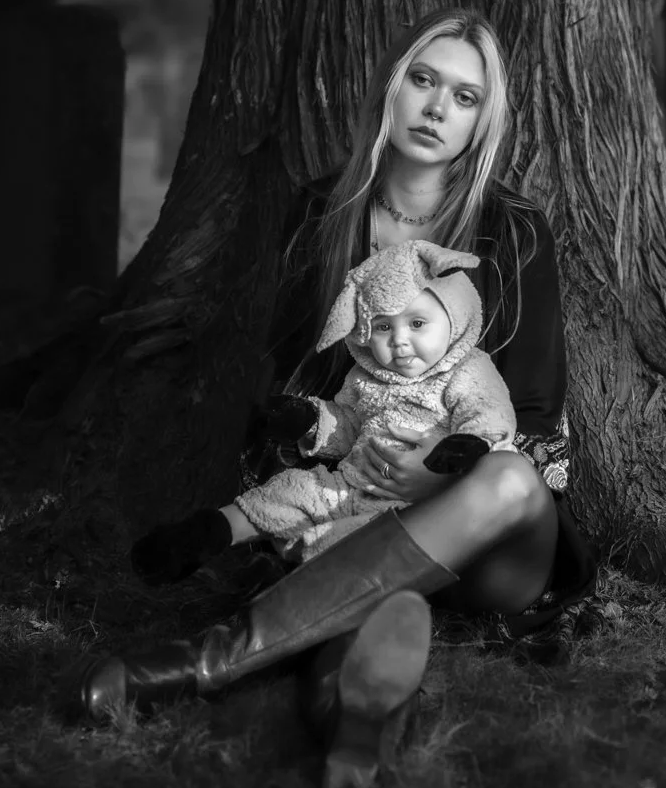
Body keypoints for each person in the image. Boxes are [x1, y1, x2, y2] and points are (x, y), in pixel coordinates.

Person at [66, 6, 596, 788]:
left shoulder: (514, 232)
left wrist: (436, 473)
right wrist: (332, 467)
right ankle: (355, 723)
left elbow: (542, 426)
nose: (435, 109)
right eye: (423, 80)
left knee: (512, 481)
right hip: (351, 498)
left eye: (463, 97)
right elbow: (287, 393)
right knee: (353, 576)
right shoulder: (320, 212)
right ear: (392, 85)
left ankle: (202, 662)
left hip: (489, 535)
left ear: (483, 121)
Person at [130, 239, 518, 578]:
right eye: (383, 327)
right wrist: (310, 419)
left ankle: (299, 580)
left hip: (424, 504)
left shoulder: (467, 370)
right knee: (293, 488)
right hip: (351, 483)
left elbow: (488, 414)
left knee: (358, 539)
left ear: (455, 315)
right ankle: (208, 532)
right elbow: (348, 423)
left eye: (417, 323)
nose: (400, 341)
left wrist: (465, 447)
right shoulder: (366, 379)